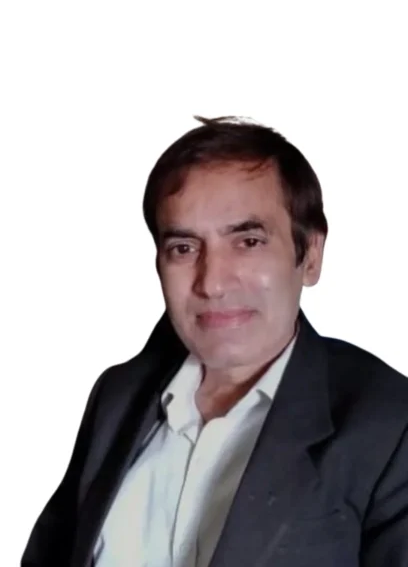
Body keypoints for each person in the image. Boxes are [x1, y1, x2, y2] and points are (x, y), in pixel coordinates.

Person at [21, 116, 408, 567]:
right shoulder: (118, 395)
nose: (213, 282)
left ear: (310, 256)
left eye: (248, 241)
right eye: (184, 248)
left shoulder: (390, 425)